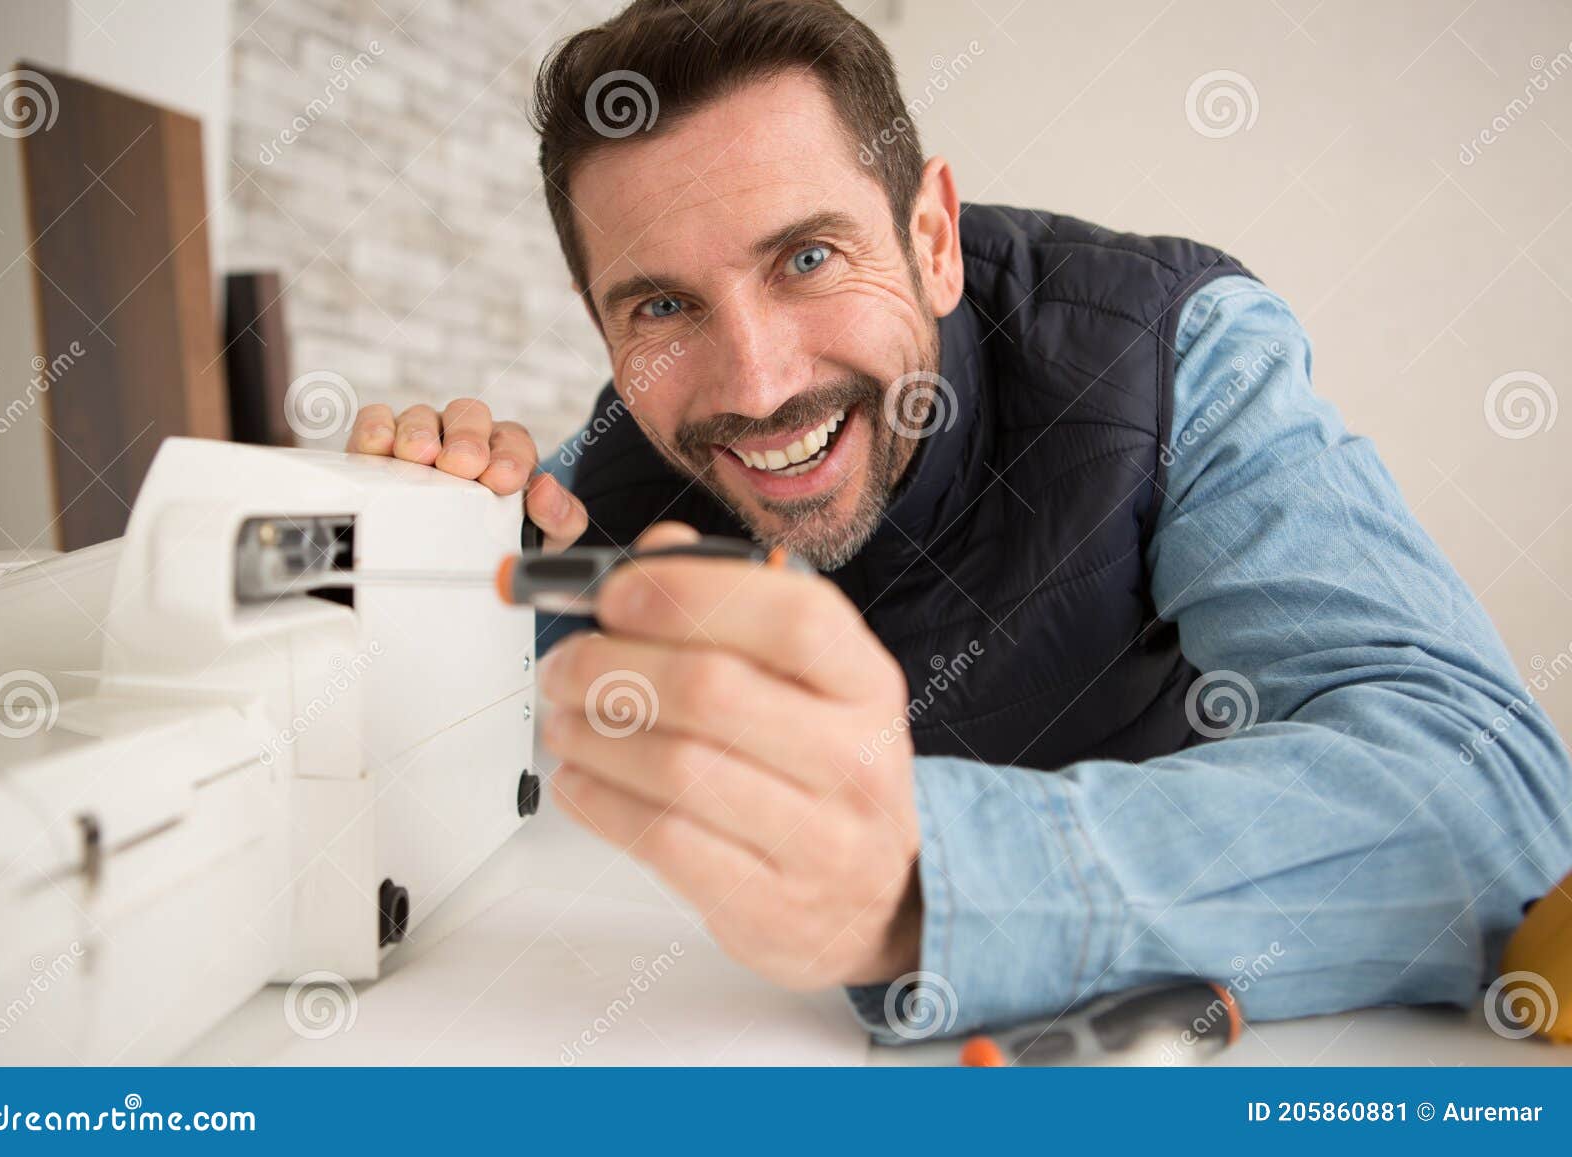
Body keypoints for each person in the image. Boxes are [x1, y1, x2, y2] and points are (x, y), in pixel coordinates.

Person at [345, 0, 1571, 1040]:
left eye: (808, 259)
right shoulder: (612, 473)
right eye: (662, 303)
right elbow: (386, 736)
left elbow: (1491, 801)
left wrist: (927, 880)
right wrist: (413, 550)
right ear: (601, 319)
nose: (757, 384)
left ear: (929, 237)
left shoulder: (1177, 353)